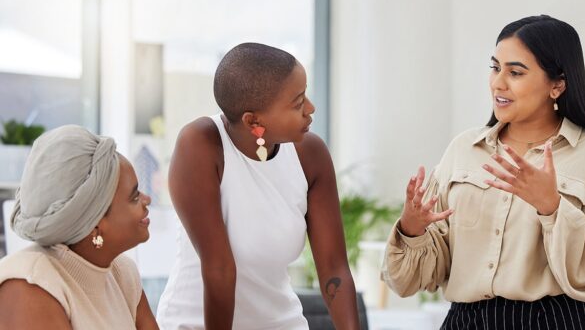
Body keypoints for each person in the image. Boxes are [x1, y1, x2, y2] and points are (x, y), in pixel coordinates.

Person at [382, 15, 585, 329]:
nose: (498, 82)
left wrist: (552, 207)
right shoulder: (463, 150)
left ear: (557, 84)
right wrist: (412, 229)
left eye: (515, 72)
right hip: (465, 321)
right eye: (495, 67)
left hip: (555, 321)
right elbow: (412, 281)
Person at [156, 43, 360, 329]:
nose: (310, 109)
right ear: (254, 121)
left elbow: (333, 268)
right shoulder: (201, 144)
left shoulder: (310, 154)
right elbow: (219, 270)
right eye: (298, 102)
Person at [0, 125, 158, 330]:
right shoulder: (32, 285)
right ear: (95, 224)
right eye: (134, 197)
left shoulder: (123, 273)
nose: (148, 199)